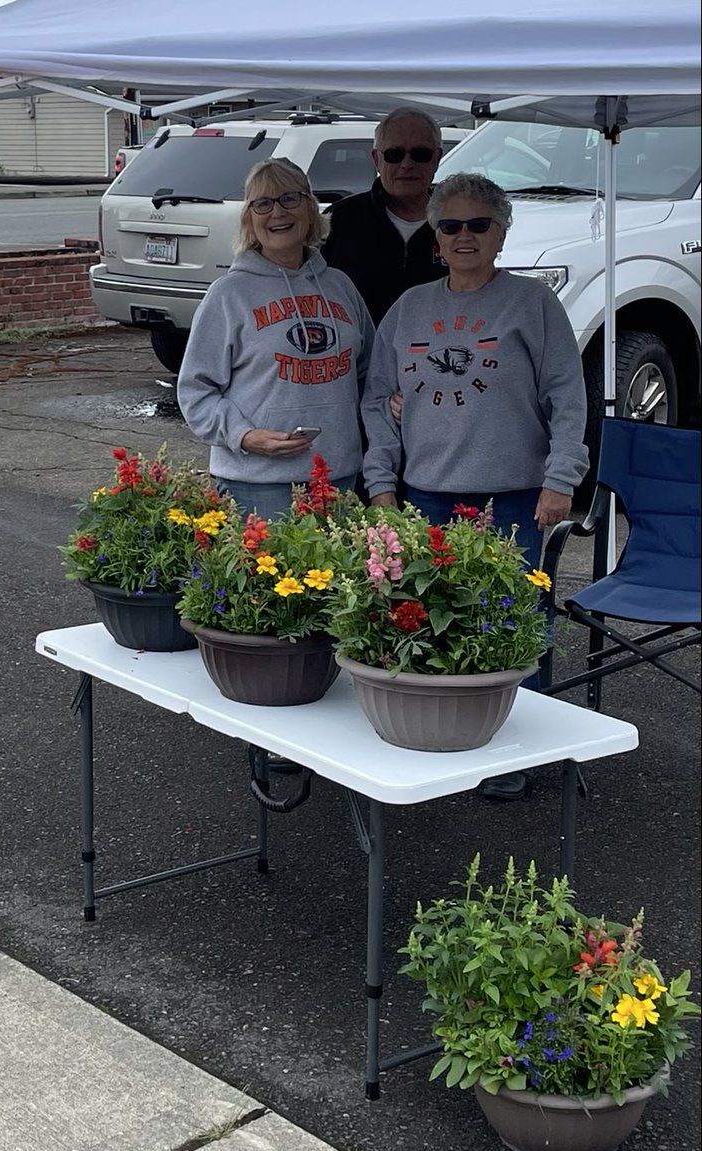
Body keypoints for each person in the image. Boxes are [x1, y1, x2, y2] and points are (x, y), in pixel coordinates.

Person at [362, 171, 589, 799]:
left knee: (512, 626)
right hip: (427, 496)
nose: (465, 236)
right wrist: (381, 485)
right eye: (451, 225)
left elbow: (568, 396)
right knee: (433, 620)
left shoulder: (532, 304)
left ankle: (517, 750)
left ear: (502, 232)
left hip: (515, 499)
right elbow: (378, 399)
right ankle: (445, 741)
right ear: (435, 236)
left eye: (479, 224)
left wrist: (560, 478)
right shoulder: (409, 308)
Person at [177, 157, 375, 519]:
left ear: (310, 208)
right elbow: (195, 391)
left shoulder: (340, 286)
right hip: (257, 484)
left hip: (338, 477)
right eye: (263, 204)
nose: (277, 212)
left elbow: (370, 375)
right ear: (249, 219)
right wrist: (243, 436)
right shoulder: (229, 295)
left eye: (289, 198)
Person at [323, 107, 449, 326]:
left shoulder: (460, 223)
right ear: (376, 159)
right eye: (394, 155)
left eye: (421, 154)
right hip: (359, 346)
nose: (407, 164)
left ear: (437, 158)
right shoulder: (338, 220)